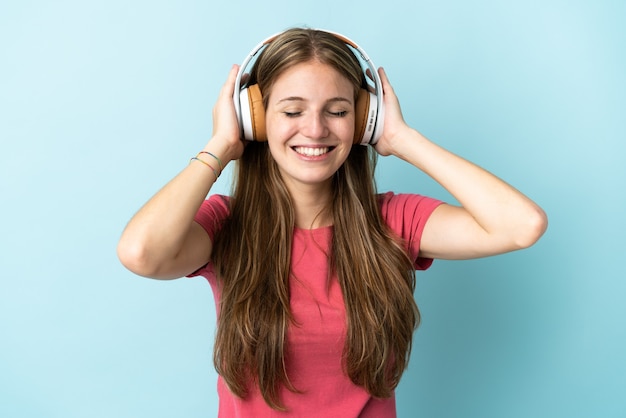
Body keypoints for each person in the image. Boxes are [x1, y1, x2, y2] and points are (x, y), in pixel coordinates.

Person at [117, 28, 547, 417]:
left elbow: (521, 225)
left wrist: (402, 139)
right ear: (256, 119)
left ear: (363, 121)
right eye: (292, 111)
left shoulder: (393, 221)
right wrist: (222, 143)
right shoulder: (227, 224)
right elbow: (141, 253)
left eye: (338, 111)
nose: (316, 129)